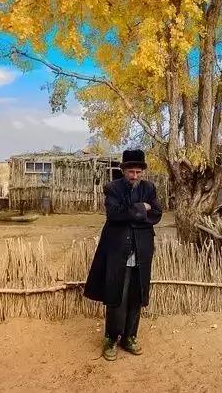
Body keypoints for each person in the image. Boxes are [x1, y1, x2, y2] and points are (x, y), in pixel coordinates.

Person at [84, 149, 162, 361]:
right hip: (119, 249)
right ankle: (111, 338)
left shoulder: (150, 188)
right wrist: (141, 208)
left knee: (136, 296)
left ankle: (130, 337)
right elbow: (115, 215)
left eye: (138, 172)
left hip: (142, 250)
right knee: (116, 295)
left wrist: (136, 211)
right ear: (123, 170)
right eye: (131, 171)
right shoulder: (112, 188)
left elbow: (156, 214)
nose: (135, 176)